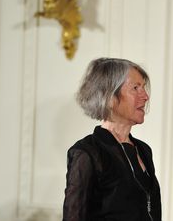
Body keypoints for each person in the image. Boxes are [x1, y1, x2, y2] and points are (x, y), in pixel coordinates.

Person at [63, 58, 161, 221]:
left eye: (143, 87)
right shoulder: (87, 153)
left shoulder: (144, 150)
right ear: (109, 96)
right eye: (135, 88)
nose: (145, 96)